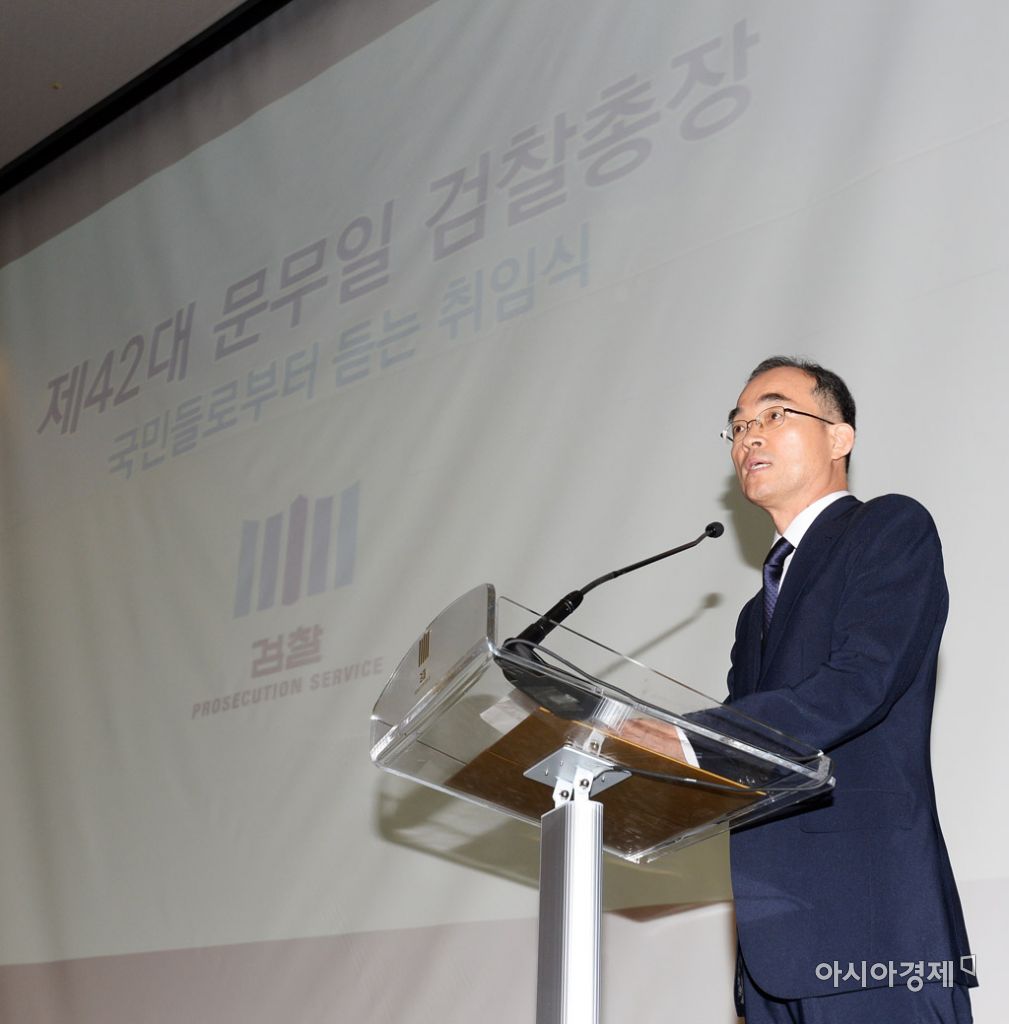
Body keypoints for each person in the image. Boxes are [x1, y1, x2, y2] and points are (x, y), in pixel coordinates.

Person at [718, 357, 975, 1023]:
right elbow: (746, 768)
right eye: (738, 425)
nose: (749, 435)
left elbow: (860, 683)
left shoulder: (887, 528)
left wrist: (691, 736)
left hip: (873, 928)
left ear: (839, 437)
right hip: (773, 950)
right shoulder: (754, 614)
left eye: (774, 414)